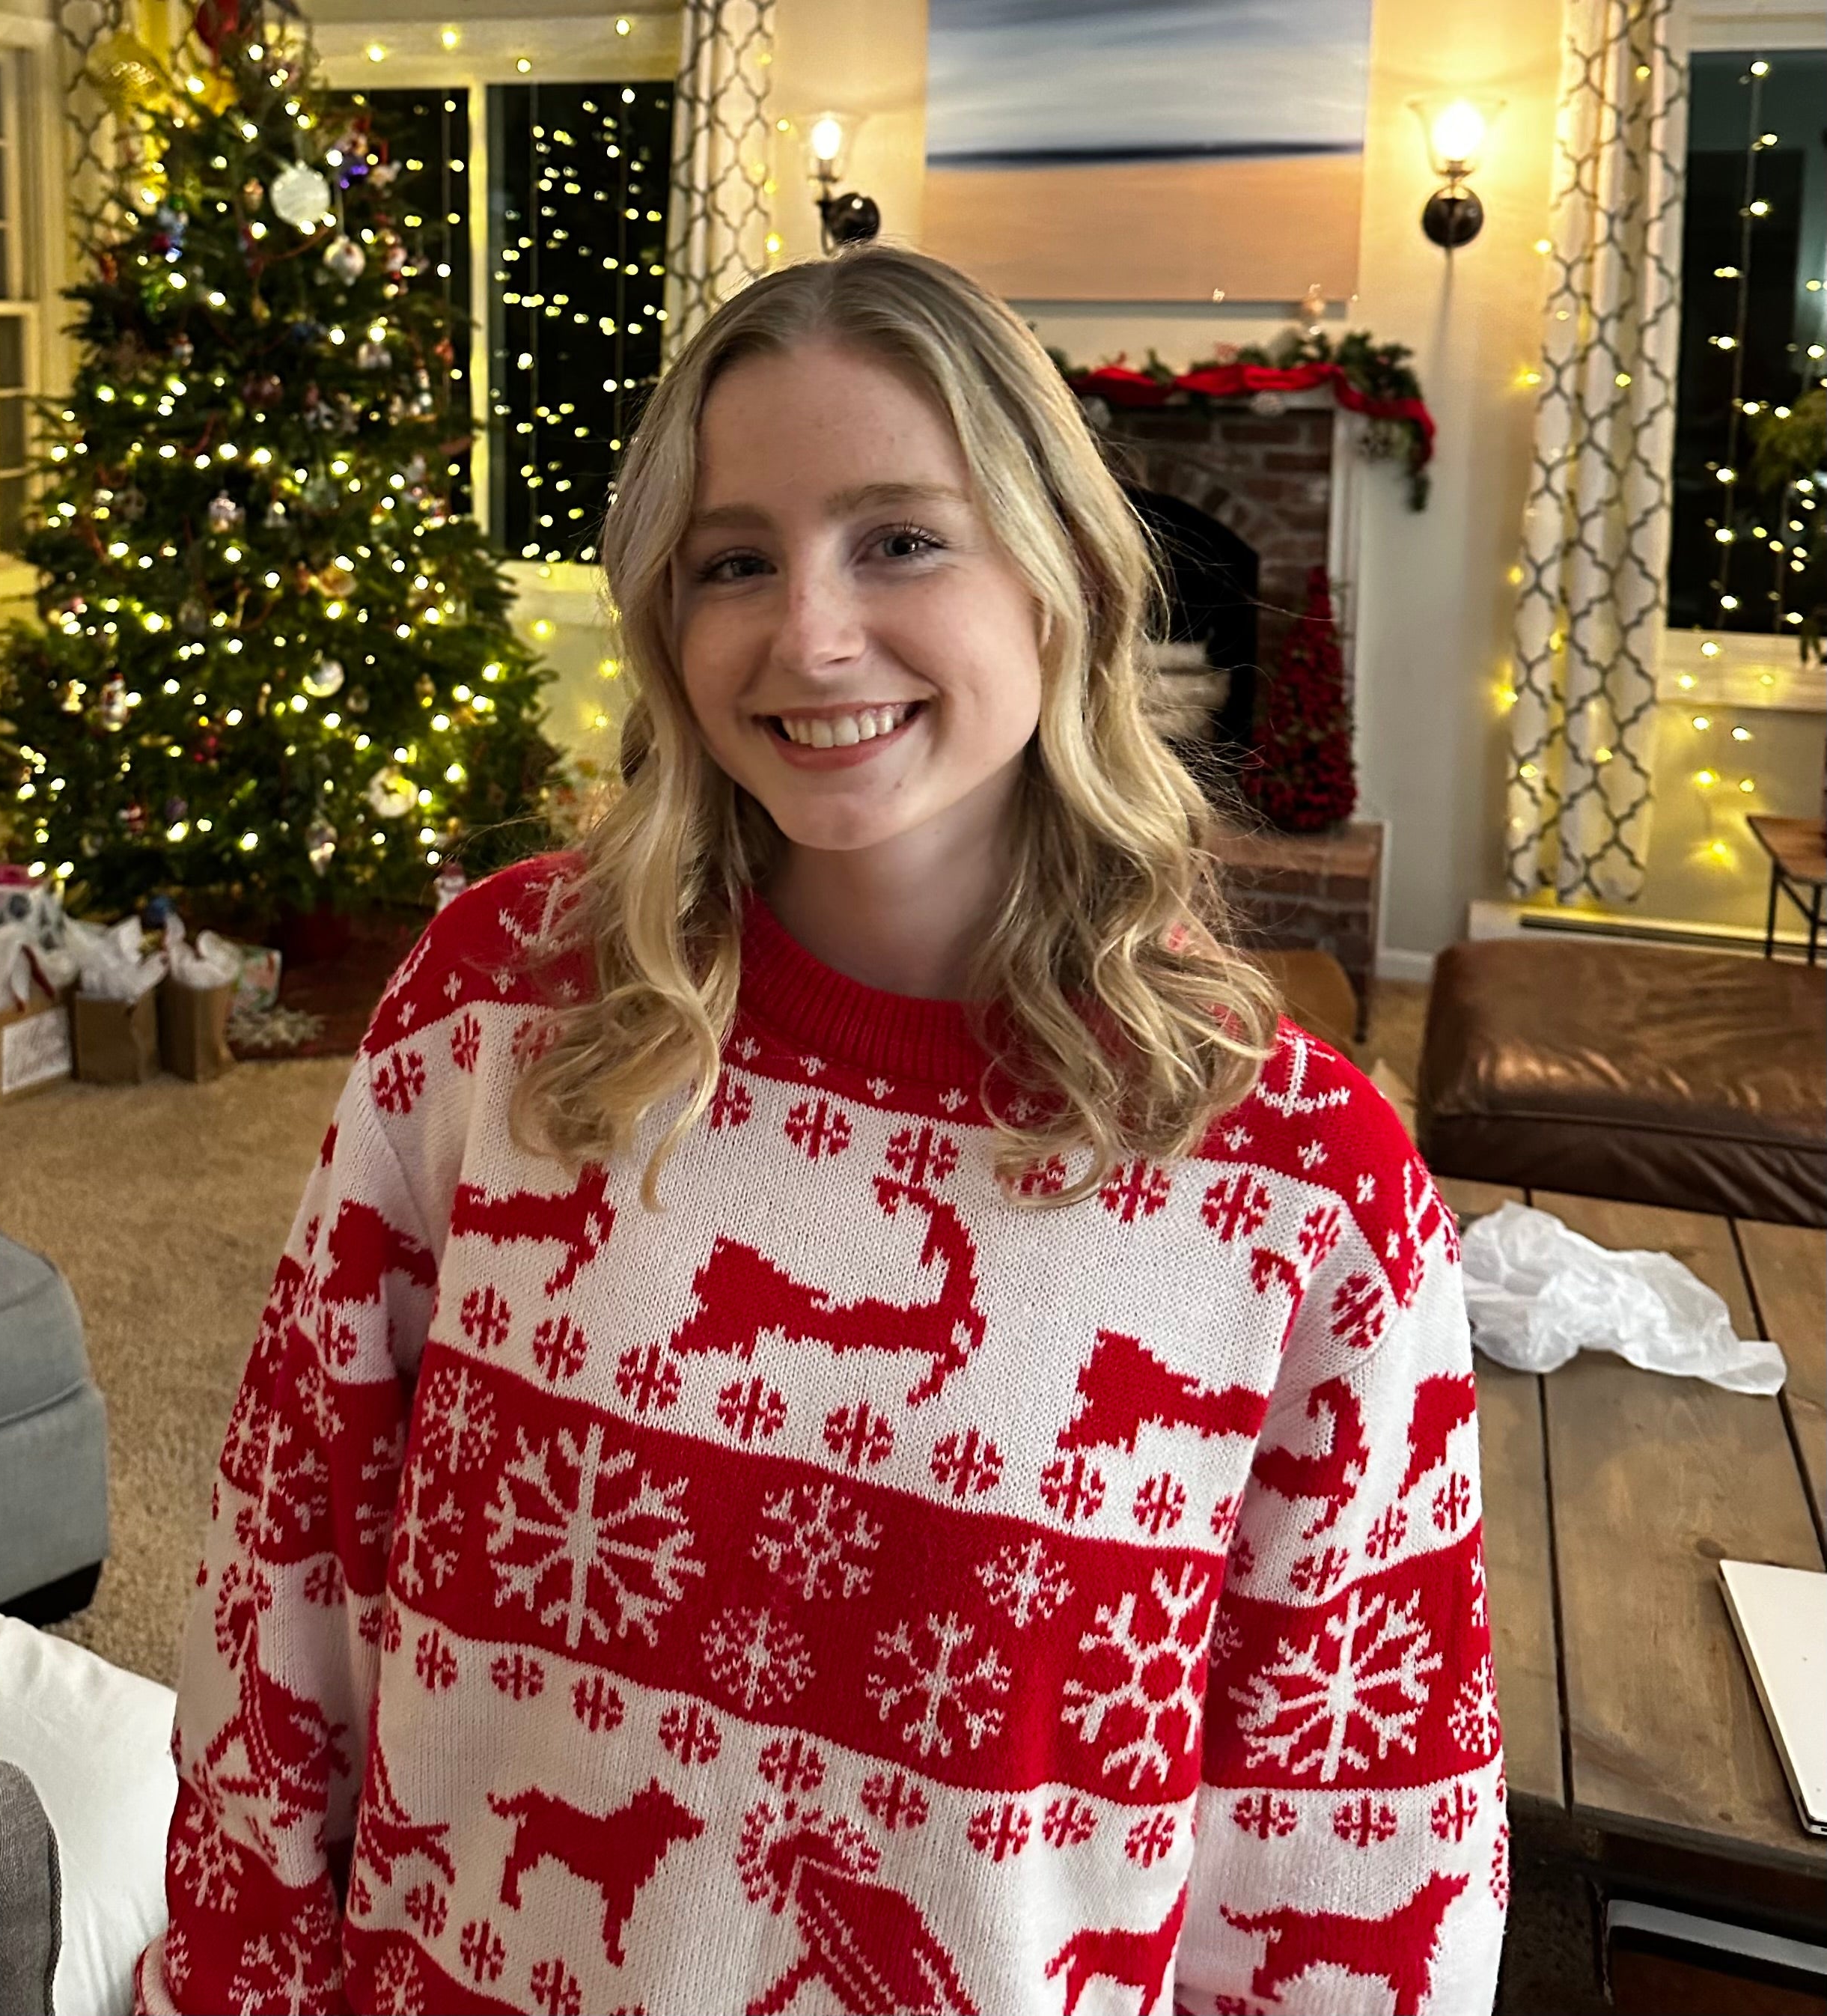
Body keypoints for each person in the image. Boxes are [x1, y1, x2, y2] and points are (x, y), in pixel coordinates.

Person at [138, 246, 1505, 2016]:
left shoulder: (1304, 1192)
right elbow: (285, 1584)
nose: (810, 634)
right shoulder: (495, 1014)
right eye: (735, 562)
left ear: (1067, 575)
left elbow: (1360, 1859)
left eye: (902, 539)